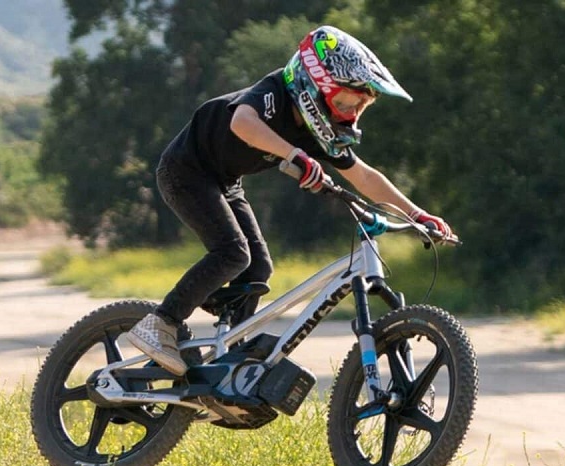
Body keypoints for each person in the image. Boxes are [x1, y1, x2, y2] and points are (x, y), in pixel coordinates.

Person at [119, 25, 455, 376]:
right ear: (314, 85)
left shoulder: (317, 129)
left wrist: (418, 215)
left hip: (224, 182)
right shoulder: (275, 92)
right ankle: (161, 322)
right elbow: (242, 123)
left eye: (360, 107)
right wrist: (294, 154)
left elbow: (364, 176)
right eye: (345, 102)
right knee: (233, 252)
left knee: (258, 268)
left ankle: (228, 354)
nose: (350, 115)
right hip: (185, 171)